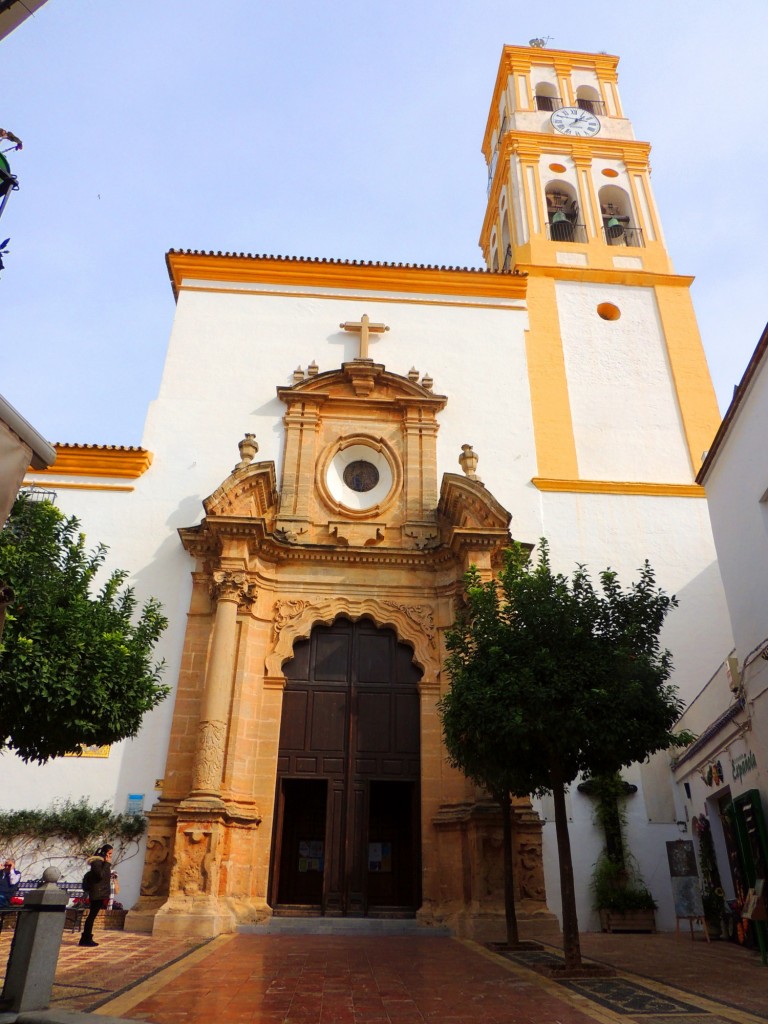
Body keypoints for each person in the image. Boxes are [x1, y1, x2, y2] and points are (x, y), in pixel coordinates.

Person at [79, 844, 113, 948]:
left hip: (100, 893)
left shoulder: (101, 863)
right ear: (104, 853)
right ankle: (86, 938)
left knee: (92, 916)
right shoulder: (97, 862)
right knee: (91, 916)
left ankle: (86, 938)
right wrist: (107, 864)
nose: (110, 856)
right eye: (109, 853)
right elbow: (100, 875)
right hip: (97, 893)